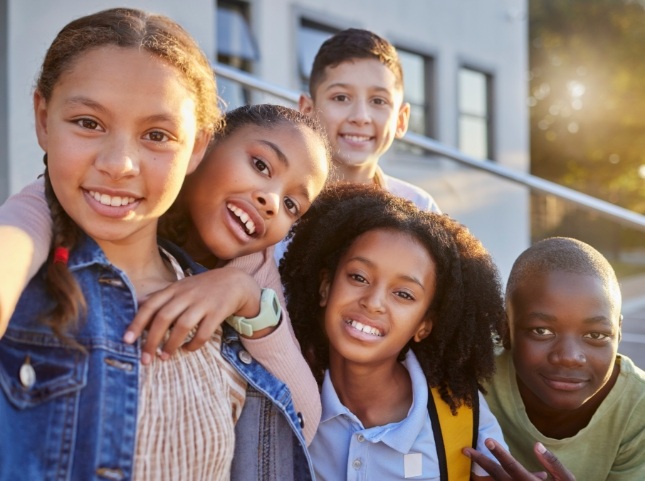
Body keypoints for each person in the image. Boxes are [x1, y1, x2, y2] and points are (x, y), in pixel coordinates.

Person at [0, 8, 322, 481]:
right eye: (89, 123)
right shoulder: (33, 245)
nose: (119, 163)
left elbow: (293, 427)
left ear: (196, 147)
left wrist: (243, 293)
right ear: (43, 119)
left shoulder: (238, 291)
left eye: (156, 135)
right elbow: (19, 233)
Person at [280, 183, 508, 481]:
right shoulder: (283, 395)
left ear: (424, 325)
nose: (373, 303)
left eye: (404, 294)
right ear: (326, 287)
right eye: (358, 277)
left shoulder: (463, 419)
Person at [470, 237, 645, 480]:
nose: (569, 357)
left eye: (596, 334)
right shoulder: (471, 374)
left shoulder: (639, 409)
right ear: (504, 329)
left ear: (619, 332)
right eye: (541, 331)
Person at [274, 27, 440, 262]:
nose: (360, 116)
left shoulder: (420, 208)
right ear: (307, 111)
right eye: (341, 97)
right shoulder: (276, 203)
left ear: (401, 120)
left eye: (378, 101)